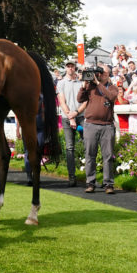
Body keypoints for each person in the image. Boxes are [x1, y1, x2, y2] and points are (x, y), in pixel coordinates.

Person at [77, 65, 118, 194]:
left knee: (108, 156)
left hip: (107, 125)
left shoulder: (112, 87)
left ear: (107, 74)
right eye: (98, 73)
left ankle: (108, 184)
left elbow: (111, 97)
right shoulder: (90, 86)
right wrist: (84, 85)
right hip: (91, 125)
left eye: (102, 73)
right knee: (90, 155)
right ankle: (90, 183)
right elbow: (79, 99)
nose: (99, 75)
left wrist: (98, 84)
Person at [56, 59, 84, 187]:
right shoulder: (61, 83)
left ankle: (90, 176)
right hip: (67, 117)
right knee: (69, 147)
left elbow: (85, 101)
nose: (70, 68)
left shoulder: (81, 82)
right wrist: (70, 117)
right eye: (68, 66)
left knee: (89, 144)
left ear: (75, 68)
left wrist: (76, 113)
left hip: (81, 116)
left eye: (72, 66)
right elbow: (62, 101)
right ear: (66, 68)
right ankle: (71, 176)